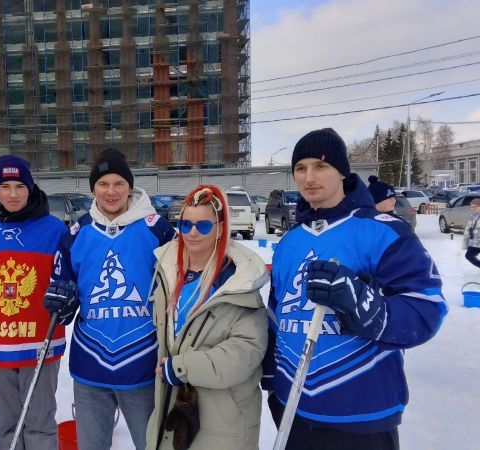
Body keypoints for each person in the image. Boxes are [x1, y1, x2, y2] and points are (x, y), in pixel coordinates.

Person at [263, 128, 447, 450]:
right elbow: (276, 315)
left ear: (342, 172)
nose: (309, 177)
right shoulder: (290, 241)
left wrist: (366, 306)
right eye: (300, 168)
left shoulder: (384, 231)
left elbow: (427, 308)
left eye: (320, 166)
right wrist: (272, 378)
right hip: (293, 409)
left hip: (361, 411)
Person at [43, 148, 176, 450]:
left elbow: (181, 286)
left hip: (144, 361)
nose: (111, 191)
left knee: (152, 444)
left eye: (119, 183)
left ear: (130, 187)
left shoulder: (157, 229)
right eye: (103, 184)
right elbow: (63, 294)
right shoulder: (77, 232)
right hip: (90, 362)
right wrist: (61, 302)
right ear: (93, 189)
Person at [146, 185, 268, 450]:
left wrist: (181, 367)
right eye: (186, 224)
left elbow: (246, 351)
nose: (192, 232)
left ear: (220, 228)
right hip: (172, 407)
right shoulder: (167, 273)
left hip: (224, 421)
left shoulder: (238, 283)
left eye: (202, 226)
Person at [0, 155, 68, 450]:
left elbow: (71, 277)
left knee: (39, 424)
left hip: (40, 342)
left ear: (30, 188)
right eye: (5, 186)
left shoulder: (55, 229)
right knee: (8, 426)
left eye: (20, 186)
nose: (13, 194)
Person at [462, 198, 480, 268]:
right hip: (474, 242)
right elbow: (468, 230)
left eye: (475, 207)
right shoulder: (472, 216)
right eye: (471, 207)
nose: (472, 209)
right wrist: (466, 243)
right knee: (468, 256)